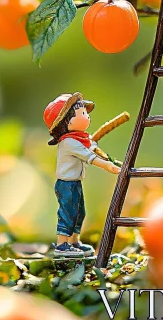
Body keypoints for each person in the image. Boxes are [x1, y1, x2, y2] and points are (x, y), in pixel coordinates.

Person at [44, 92, 120, 258]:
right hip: (66, 184)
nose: (87, 117)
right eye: (83, 113)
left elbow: (89, 147)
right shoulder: (69, 142)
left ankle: (74, 241)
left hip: (74, 183)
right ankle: (62, 244)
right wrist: (107, 165)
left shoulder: (78, 140)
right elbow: (89, 157)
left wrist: (94, 145)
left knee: (80, 213)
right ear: (66, 122)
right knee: (68, 213)